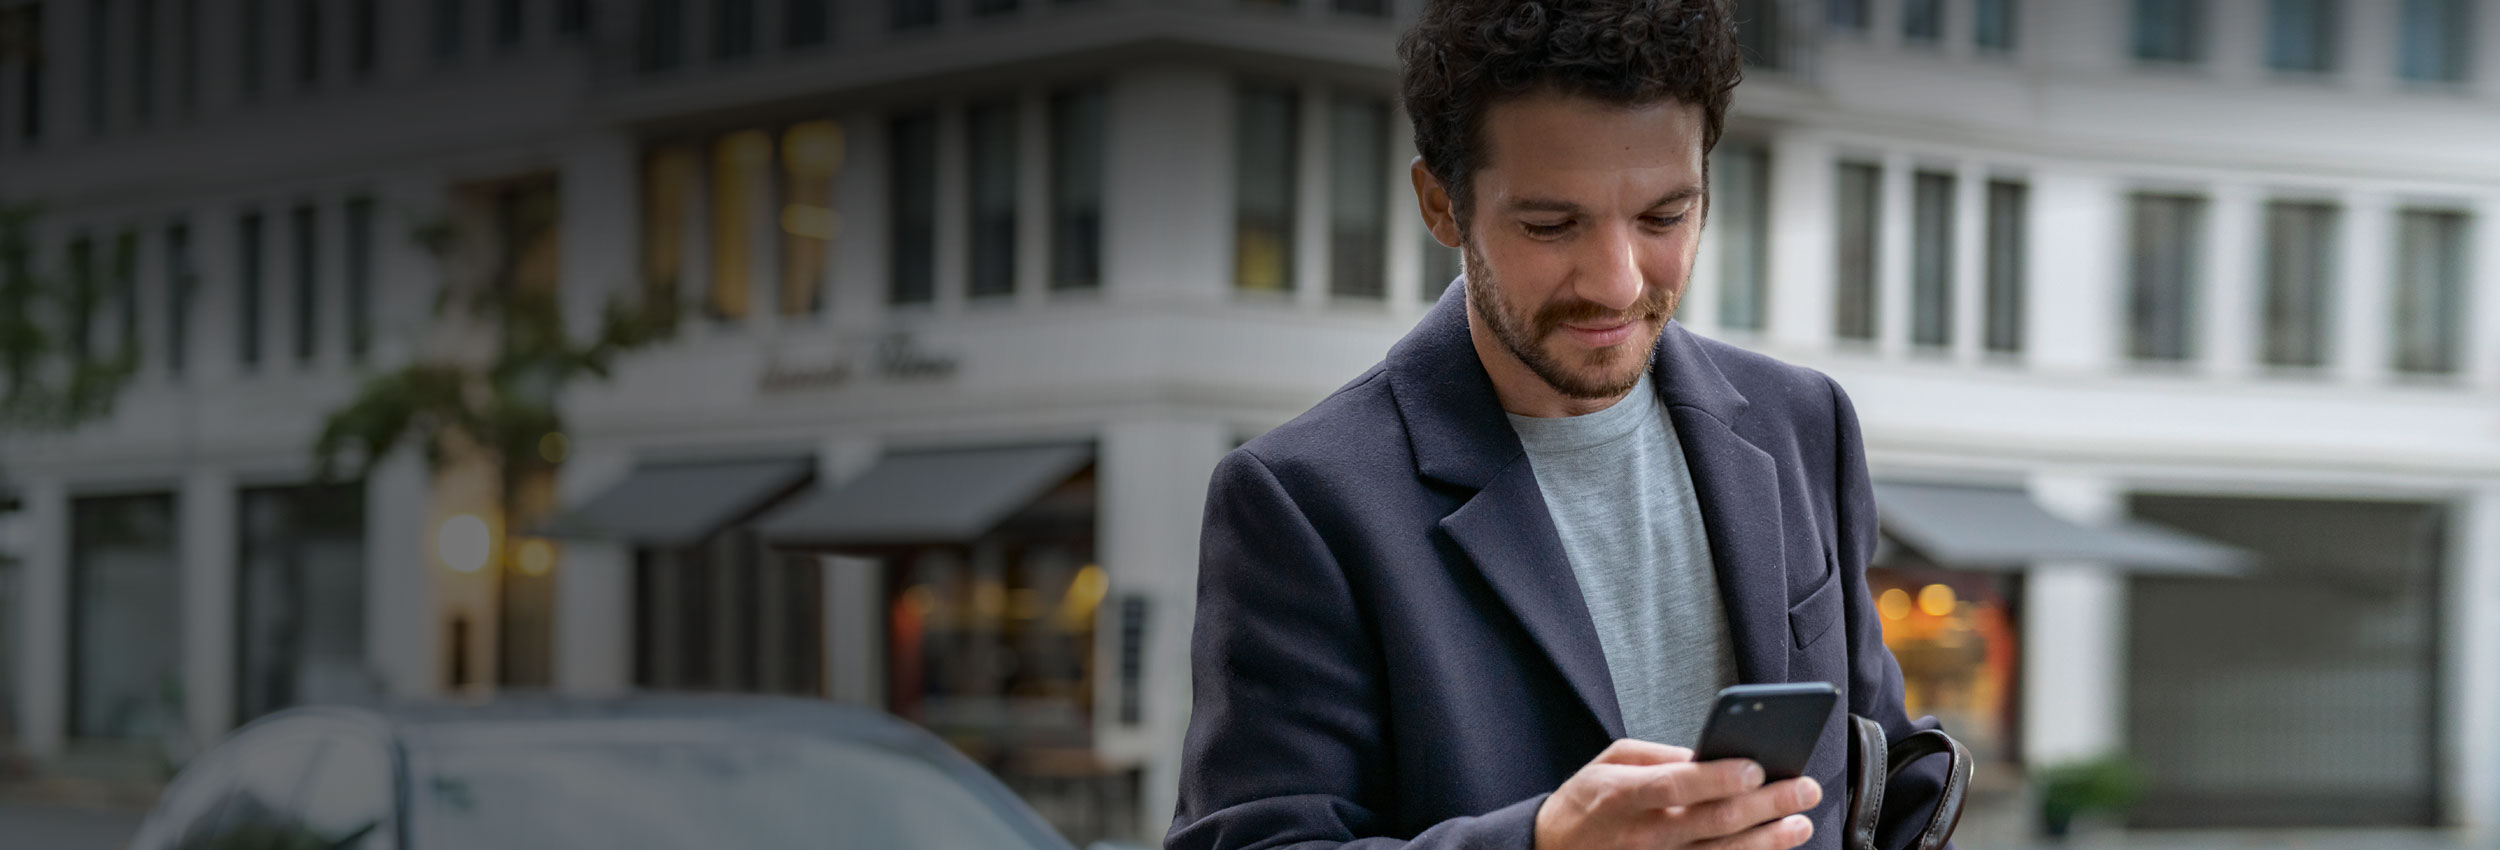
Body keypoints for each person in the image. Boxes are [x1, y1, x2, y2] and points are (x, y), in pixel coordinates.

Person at [1167, 2, 1956, 849]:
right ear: (1442, 204)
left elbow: (1877, 769)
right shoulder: (1301, 500)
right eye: (1551, 225)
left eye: (1664, 217)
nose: (1617, 282)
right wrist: (1539, 844)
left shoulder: (1805, 424)